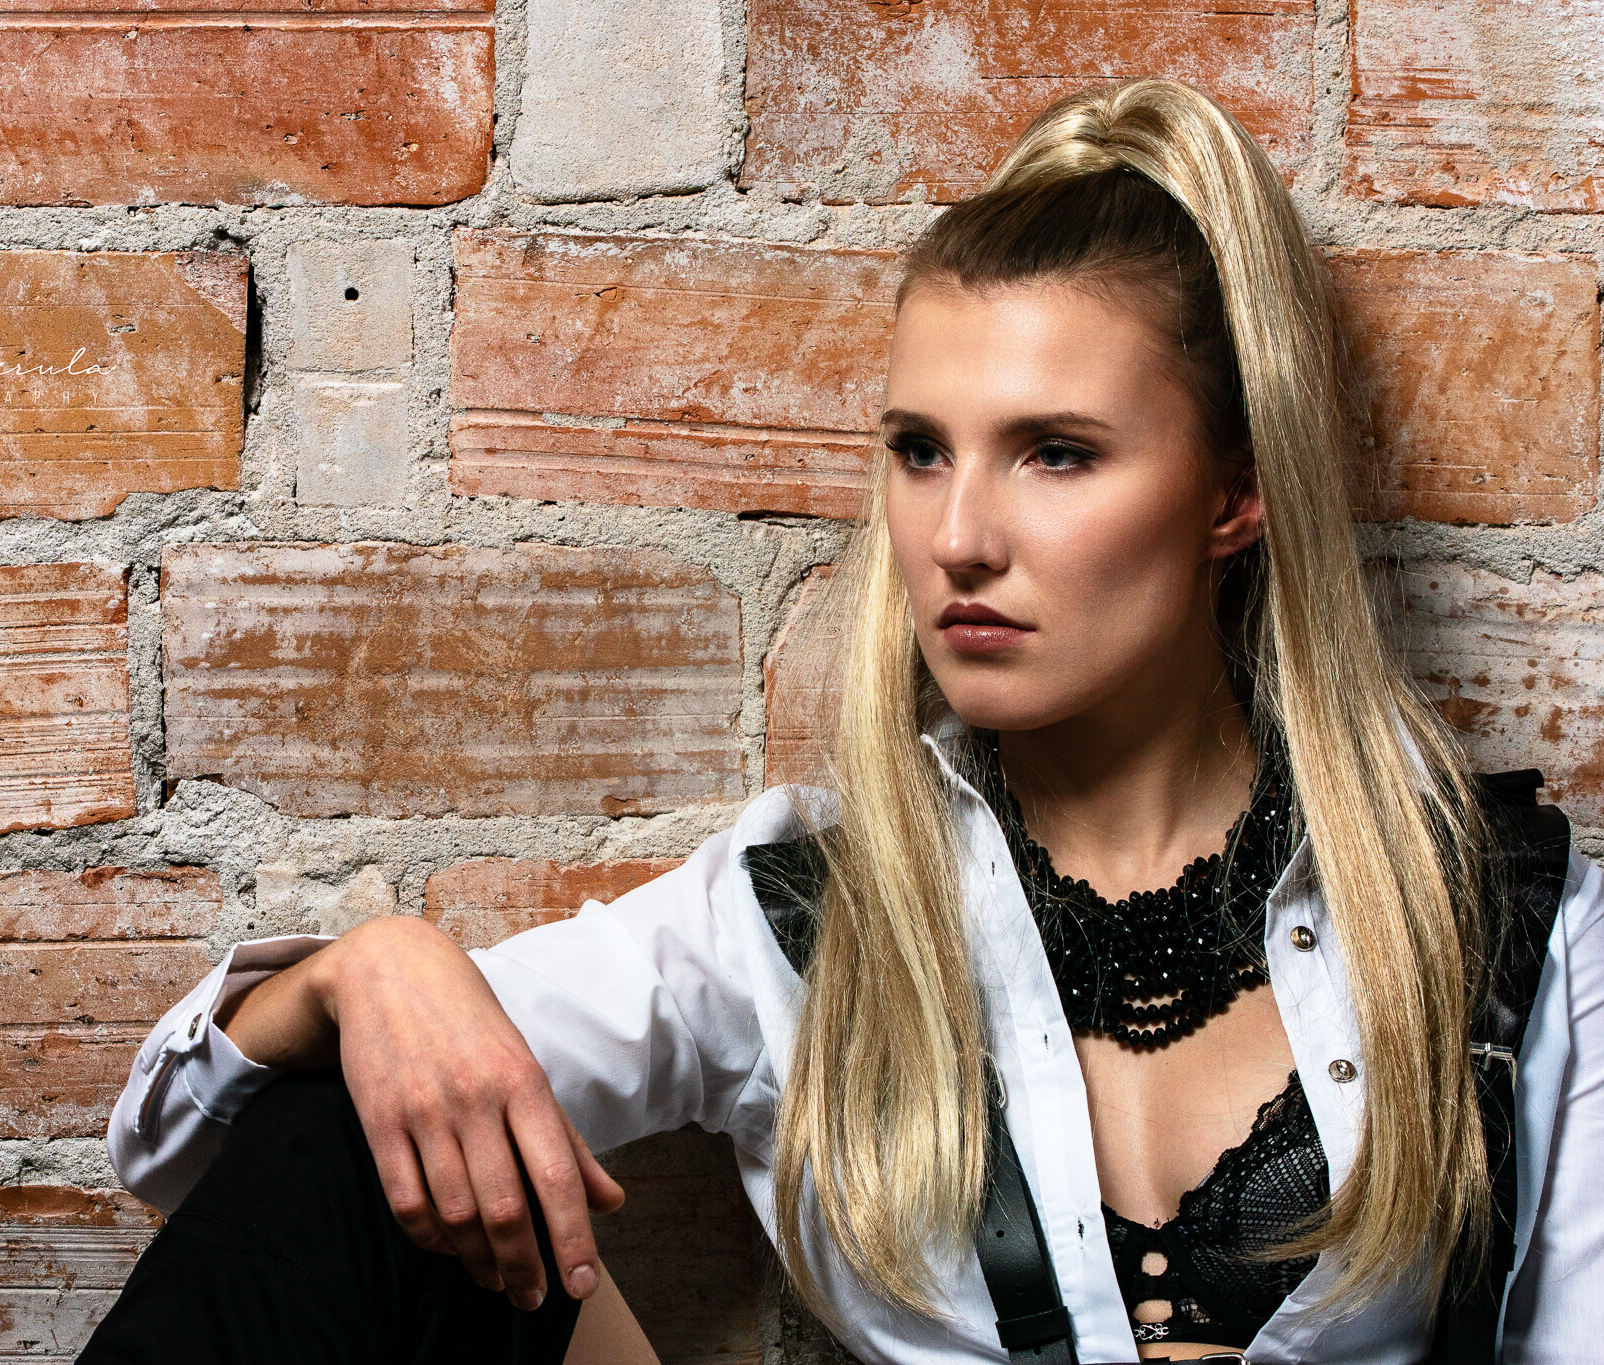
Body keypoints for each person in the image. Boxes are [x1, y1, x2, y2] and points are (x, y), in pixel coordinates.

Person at [78, 78, 1604, 1364]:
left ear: (1234, 492)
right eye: (922, 451)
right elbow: (186, 1149)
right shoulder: (806, 913)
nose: (958, 537)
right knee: (345, 1136)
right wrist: (366, 971)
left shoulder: (1501, 927)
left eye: (1057, 454)